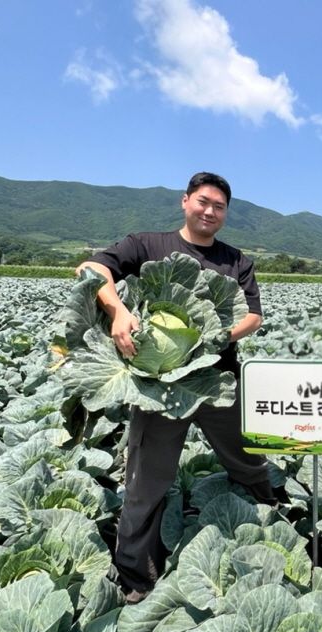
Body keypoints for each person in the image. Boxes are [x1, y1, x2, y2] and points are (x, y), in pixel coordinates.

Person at [76, 172, 276, 603]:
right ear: (185, 201)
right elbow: (90, 268)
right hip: (157, 389)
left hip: (215, 381)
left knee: (249, 461)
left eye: (219, 206)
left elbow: (253, 316)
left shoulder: (236, 261)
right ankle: (136, 576)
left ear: (226, 213)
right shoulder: (147, 245)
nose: (210, 211)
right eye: (203, 201)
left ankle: (270, 528)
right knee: (145, 482)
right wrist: (117, 310)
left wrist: (210, 339)